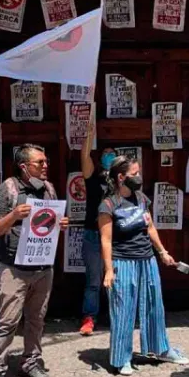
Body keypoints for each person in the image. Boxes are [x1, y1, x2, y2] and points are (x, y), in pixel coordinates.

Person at [0, 144, 69, 377]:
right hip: (15, 268)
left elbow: (50, 223)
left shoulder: (49, 189)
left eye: (45, 161)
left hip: (43, 267)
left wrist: (61, 224)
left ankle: (31, 362)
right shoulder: (6, 190)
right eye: (39, 163)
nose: (45, 166)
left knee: (37, 319)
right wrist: (14, 215)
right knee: (7, 321)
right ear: (24, 167)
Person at [98, 156, 188, 376]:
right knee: (123, 310)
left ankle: (160, 348)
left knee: (153, 305)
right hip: (122, 261)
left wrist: (163, 252)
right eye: (134, 173)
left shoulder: (141, 198)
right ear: (121, 177)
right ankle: (121, 358)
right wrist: (109, 270)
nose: (139, 177)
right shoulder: (108, 205)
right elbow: (106, 240)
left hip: (146, 260)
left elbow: (150, 228)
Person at [79, 118, 115, 336]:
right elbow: (84, 158)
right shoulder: (93, 178)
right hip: (93, 235)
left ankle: (116, 317)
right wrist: (88, 136)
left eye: (112, 153)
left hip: (116, 237)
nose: (108, 156)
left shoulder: (122, 180)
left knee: (116, 279)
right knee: (93, 280)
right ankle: (89, 318)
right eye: (106, 153)